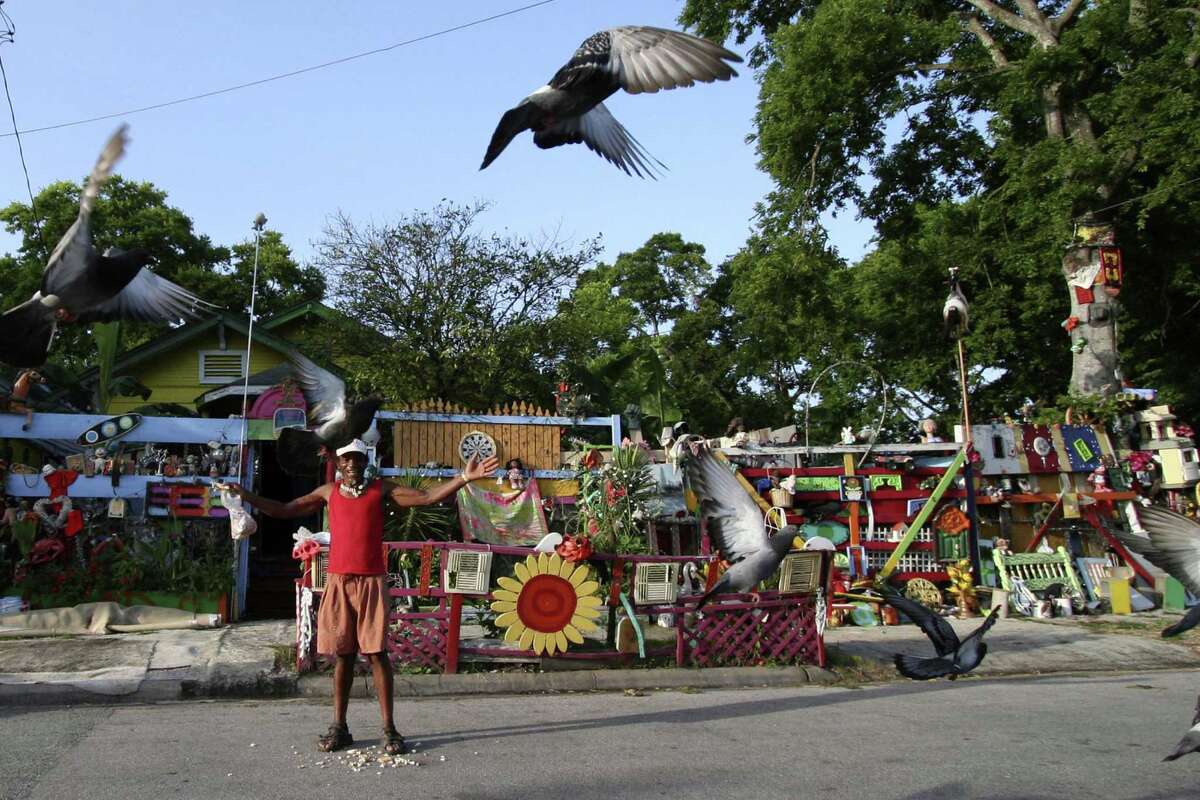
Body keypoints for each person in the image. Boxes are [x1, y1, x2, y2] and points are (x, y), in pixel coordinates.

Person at [225, 439, 498, 755]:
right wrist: (246, 496)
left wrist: (464, 478)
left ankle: (390, 730)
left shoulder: (380, 490)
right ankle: (339, 727)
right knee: (343, 655)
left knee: (377, 654)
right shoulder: (328, 492)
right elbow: (286, 509)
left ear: (364, 462)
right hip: (339, 583)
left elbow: (425, 497)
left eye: (357, 459)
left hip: (371, 583)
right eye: (346, 460)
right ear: (339, 464)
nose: (352, 464)